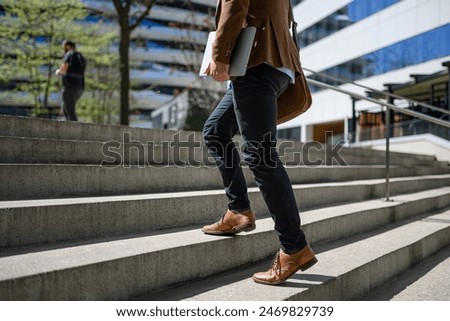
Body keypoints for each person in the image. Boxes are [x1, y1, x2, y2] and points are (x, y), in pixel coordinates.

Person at [201, 0, 317, 285]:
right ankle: (238, 209)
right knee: (215, 131)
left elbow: (234, 6)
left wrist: (220, 55)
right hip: (273, 63)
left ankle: (294, 248)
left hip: (256, 62)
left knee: (260, 156)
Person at [55, 40, 86, 121]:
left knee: (69, 111)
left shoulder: (70, 53)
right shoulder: (80, 56)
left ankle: (75, 130)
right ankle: (68, 128)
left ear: (68, 46)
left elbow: (64, 66)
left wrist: (58, 71)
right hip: (79, 88)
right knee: (65, 107)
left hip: (69, 86)